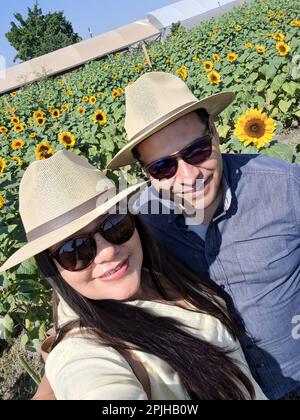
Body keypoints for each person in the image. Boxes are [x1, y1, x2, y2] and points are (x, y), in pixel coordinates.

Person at [0, 150, 267, 400]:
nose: (107, 252)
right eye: (75, 250)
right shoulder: (83, 354)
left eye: (115, 224)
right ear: (51, 267)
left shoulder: (155, 270)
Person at [107, 72, 300, 400]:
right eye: (163, 168)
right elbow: (91, 286)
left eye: (196, 151)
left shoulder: (283, 186)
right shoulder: (144, 223)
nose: (188, 176)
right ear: (146, 172)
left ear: (213, 130)